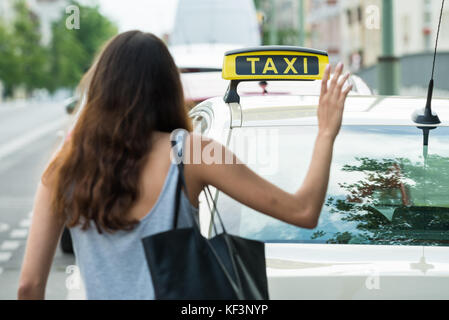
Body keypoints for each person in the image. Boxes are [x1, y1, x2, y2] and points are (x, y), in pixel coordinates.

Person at [18, 31, 352, 300]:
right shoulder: (192, 154)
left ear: (101, 89)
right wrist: (324, 133)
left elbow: (29, 287)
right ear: (167, 88)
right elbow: (303, 211)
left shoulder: (64, 168)